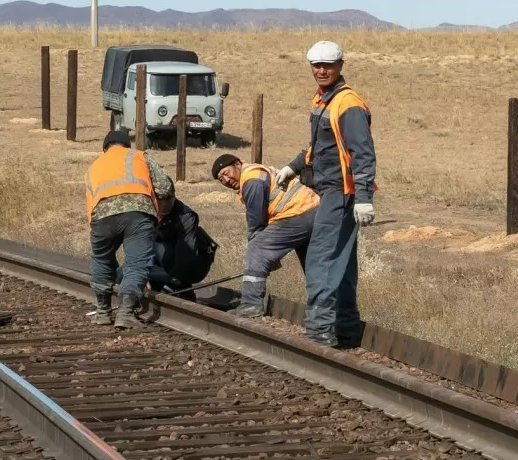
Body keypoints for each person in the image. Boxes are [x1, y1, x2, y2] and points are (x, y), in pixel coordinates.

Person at [275, 40, 377, 348]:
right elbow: (319, 146)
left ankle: (320, 329)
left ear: (340, 66)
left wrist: (363, 198)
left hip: (341, 193)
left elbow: (363, 153)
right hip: (330, 190)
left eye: (327, 65)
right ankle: (345, 327)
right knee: (342, 261)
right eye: (316, 66)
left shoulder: (349, 105)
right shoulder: (323, 101)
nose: (321, 70)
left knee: (322, 258)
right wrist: (294, 166)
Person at [85, 128, 173, 329]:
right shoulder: (138, 156)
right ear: (126, 145)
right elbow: (164, 187)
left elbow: (89, 204)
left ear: (105, 147)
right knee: (136, 263)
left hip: (101, 217)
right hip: (137, 213)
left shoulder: (93, 167)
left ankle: (102, 312)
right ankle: (125, 313)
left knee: (102, 259)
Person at [213, 154, 317, 319]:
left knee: (257, 248)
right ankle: (323, 315)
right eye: (221, 179)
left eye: (226, 173)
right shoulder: (254, 174)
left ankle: (251, 304)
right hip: (312, 211)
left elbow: (256, 221)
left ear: (237, 164)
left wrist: (259, 256)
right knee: (314, 267)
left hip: (297, 213)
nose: (226, 179)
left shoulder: (251, 179)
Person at [116, 192, 217, 302]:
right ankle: (168, 285)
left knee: (161, 249)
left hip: (192, 266)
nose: (164, 203)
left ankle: (180, 287)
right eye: (160, 198)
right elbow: (138, 247)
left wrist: (171, 284)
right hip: (163, 263)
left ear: (174, 197)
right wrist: (140, 275)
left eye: (169, 198)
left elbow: (185, 257)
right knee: (121, 274)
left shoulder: (185, 216)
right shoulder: (144, 211)